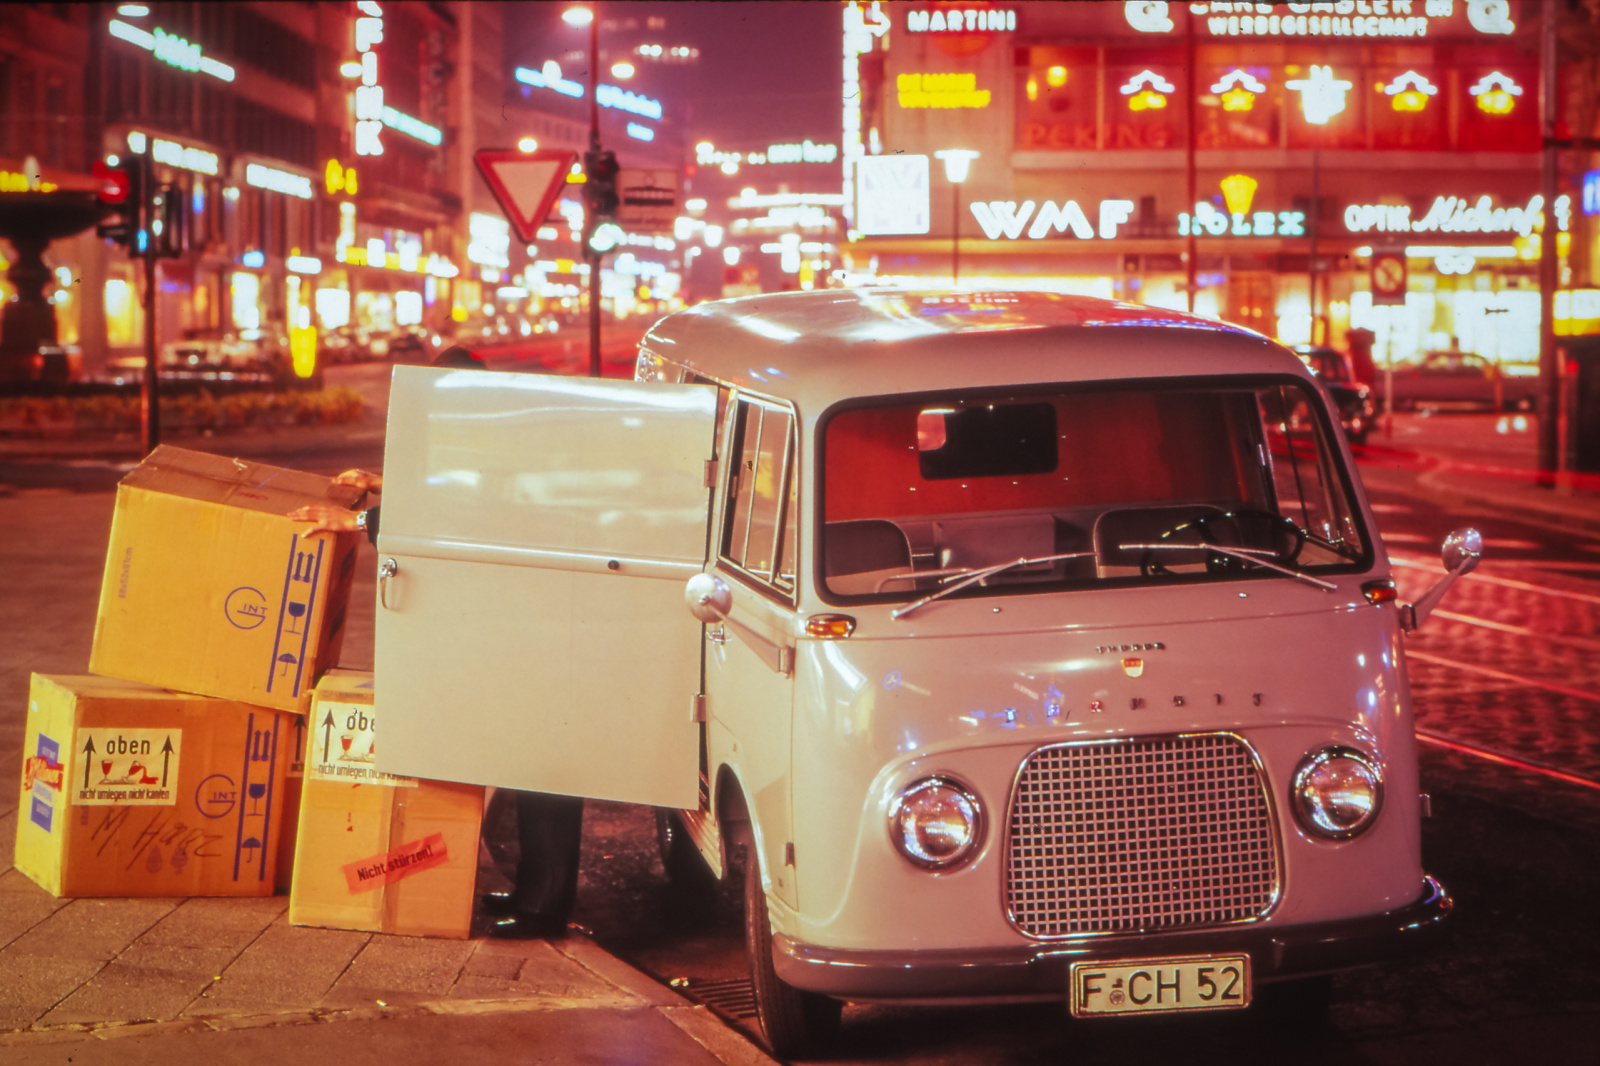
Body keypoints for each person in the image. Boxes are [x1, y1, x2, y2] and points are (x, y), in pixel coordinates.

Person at [288, 346, 583, 939]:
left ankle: (543, 907)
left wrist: (357, 521)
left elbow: (463, 510)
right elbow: (450, 490)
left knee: (541, 761)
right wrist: (381, 483)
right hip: (524, 619)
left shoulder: (491, 438)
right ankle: (535, 893)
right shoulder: (490, 429)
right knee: (528, 758)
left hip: (534, 624)